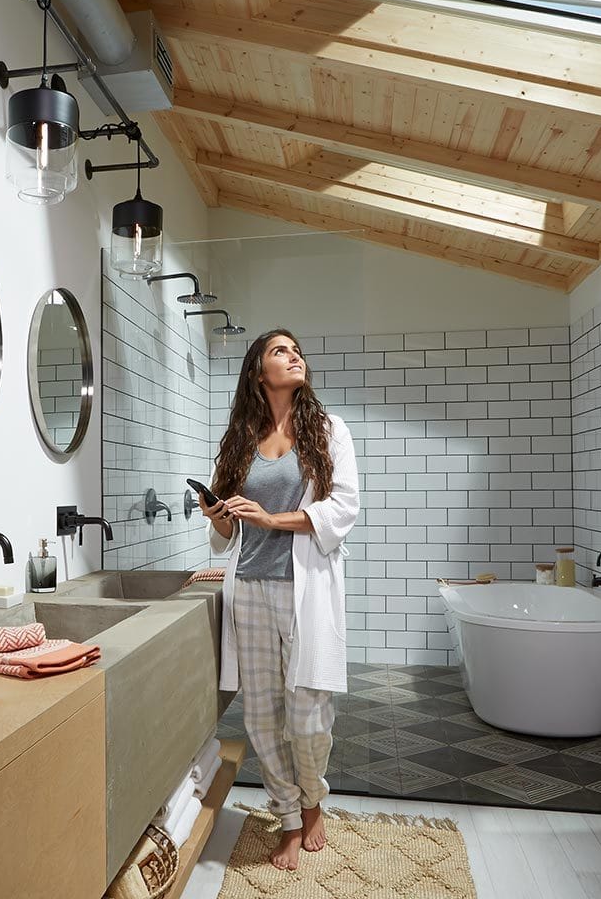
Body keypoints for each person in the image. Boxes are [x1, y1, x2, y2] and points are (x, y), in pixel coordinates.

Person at [197, 329, 359, 871]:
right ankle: (291, 817)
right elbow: (223, 538)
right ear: (257, 372)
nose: (294, 357)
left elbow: (342, 510)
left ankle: (315, 799)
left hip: (303, 591)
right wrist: (219, 517)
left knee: (308, 717)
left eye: (296, 351)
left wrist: (270, 518)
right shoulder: (241, 439)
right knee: (263, 720)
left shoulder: (330, 431)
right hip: (249, 589)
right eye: (280, 351)